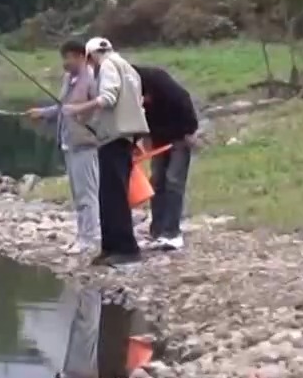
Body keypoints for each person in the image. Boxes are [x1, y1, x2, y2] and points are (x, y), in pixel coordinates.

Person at [65, 36, 147, 266]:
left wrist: (78, 109)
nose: (91, 66)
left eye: (89, 61)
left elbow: (108, 98)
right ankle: (110, 248)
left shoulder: (109, 65)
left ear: (90, 56)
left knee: (114, 196)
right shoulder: (128, 68)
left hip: (115, 137)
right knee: (110, 194)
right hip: (125, 135)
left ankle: (126, 249)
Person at [25, 39, 101, 254]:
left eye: (68, 58)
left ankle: (89, 239)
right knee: (78, 194)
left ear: (81, 57)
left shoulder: (92, 79)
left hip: (86, 144)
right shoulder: (68, 79)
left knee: (87, 194)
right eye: (63, 58)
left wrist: (82, 114)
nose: (65, 63)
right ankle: (83, 235)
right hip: (69, 143)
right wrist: (42, 113)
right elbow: (62, 108)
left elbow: (101, 107)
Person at [135, 63, 200, 251]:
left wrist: (190, 129)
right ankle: (157, 230)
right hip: (158, 138)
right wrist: (144, 137)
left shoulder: (156, 79)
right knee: (156, 181)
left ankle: (172, 232)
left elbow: (183, 98)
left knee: (174, 180)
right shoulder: (128, 90)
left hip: (179, 135)